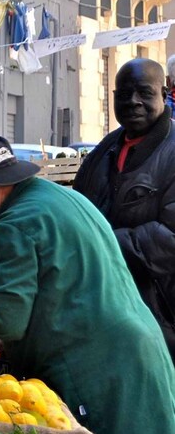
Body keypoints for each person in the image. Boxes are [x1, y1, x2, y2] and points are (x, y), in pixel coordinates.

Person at [0, 134, 175, 434]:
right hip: (136, 352)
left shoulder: (13, 224)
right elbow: (61, 285)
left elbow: (4, 315)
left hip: (97, 370)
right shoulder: (61, 198)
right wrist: (9, 337)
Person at [73, 58, 175, 361]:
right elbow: (77, 216)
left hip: (162, 316)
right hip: (107, 310)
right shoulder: (104, 151)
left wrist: (99, 243)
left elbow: (169, 240)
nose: (133, 102)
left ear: (164, 91)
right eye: (124, 93)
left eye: (144, 92)